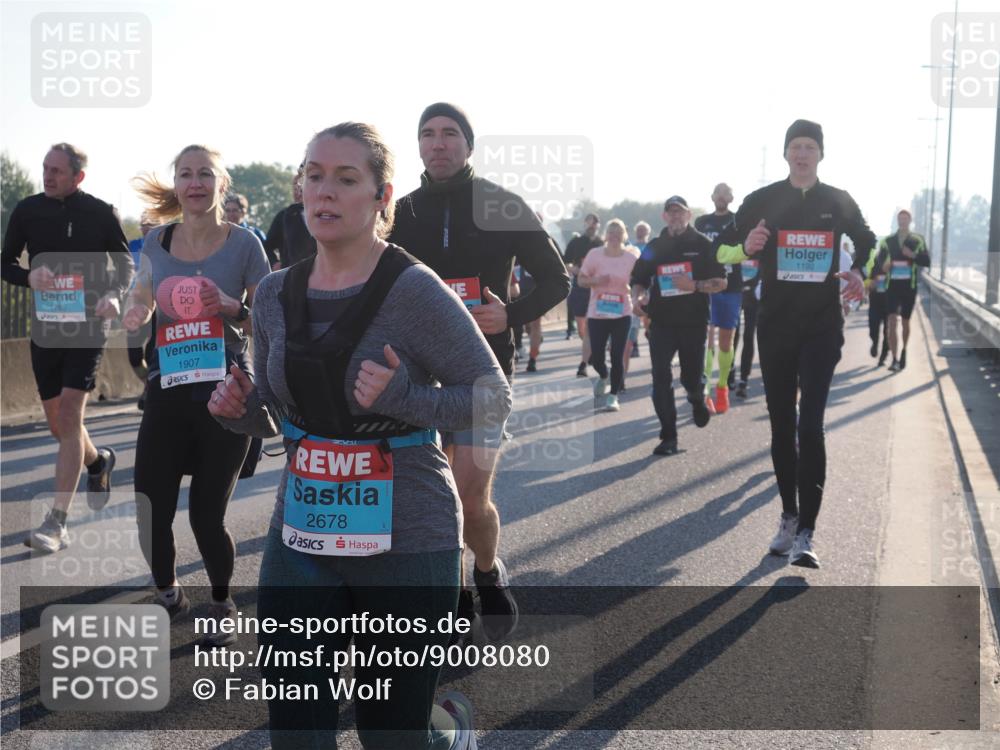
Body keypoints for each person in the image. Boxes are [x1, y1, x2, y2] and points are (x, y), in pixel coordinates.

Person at [209, 121, 510, 749]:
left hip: (408, 535)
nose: (325, 191)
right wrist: (237, 409)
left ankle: (448, 734)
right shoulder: (272, 294)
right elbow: (275, 414)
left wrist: (406, 398)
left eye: (347, 179)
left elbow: (491, 394)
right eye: (314, 175)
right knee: (296, 732)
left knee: (391, 737)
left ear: (382, 196)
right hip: (304, 533)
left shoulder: (414, 290)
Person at [389, 103, 569, 643]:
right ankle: (451, 594)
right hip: (414, 375)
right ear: (418, 146)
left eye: (450, 134)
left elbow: (556, 279)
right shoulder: (400, 212)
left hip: (482, 369)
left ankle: (486, 569)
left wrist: (508, 315)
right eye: (428, 135)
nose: (438, 143)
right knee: (428, 500)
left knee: (468, 497)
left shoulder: (500, 204)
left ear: (468, 145)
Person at [124, 144, 270, 639]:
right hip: (167, 390)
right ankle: (168, 592)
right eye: (185, 174)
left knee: (207, 514)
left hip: (225, 396)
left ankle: (222, 600)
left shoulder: (246, 245)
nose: (195, 182)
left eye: (205, 173)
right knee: (150, 506)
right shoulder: (157, 242)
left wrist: (231, 306)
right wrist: (129, 313)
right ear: (177, 185)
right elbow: (141, 299)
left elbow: (270, 322)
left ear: (220, 184)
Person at [717, 119, 874, 568]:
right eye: (795, 146)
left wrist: (860, 270)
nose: (802, 153)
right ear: (786, 154)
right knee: (782, 425)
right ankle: (787, 515)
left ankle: (807, 531)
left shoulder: (837, 200)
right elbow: (721, 251)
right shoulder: (762, 200)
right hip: (776, 325)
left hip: (823, 326)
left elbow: (869, 241)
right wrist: (746, 246)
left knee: (811, 425)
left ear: (820, 154)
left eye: (810, 146)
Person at [2, 143, 132, 552]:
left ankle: (57, 522)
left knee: (72, 415)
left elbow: (125, 263)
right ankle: (98, 461)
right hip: (47, 329)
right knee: (60, 426)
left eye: (56, 170)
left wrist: (114, 294)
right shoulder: (27, 210)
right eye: (44, 168)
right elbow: (4, 262)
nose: (47, 176)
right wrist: (28, 277)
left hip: (89, 326)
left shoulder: (100, 212)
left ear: (78, 176)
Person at [631, 196, 726, 456]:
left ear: (688, 215)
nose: (675, 216)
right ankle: (668, 437)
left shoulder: (703, 245)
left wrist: (693, 286)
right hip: (661, 321)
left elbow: (721, 282)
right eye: (670, 212)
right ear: (664, 217)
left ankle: (697, 399)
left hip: (694, 322)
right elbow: (637, 279)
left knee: (691, 378)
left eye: (680, 212)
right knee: (660, 379)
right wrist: (636, 297)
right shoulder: (655, 245)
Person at [578, 219, 640, 411]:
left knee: (617, 354)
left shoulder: (631, 259)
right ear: (606, 235)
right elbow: (581, 280)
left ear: (624, 235)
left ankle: (613, 396)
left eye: (618, 232)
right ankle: (604, 376)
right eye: (611, 232)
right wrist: (596, 280)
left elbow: (640, 282)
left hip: (622, 313)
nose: (614, 236)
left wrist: (635, 291)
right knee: (596, 356)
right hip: (598, 312)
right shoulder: (595, 255)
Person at [696, 183, 739, 414]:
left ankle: (722, 386)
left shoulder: (739, 221)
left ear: (731, 197)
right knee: (706, 338)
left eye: (726, 192)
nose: (721, 196)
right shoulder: (701, 223)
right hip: (707, 285)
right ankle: (705, 390)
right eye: (718, 192)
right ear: (712, 196)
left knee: (725, 340)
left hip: (731, 286)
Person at [874, 209, 929, 371]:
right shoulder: (887, 241)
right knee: (891, 321)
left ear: (910, 220)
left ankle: (904, 351)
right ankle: (895, 358)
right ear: (897, 221)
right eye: (900, 219)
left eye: (905, 218)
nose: (902, 221)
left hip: (909, 287)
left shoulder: (917, 240)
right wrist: (886, 266)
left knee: (905, 322)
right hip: (892, 287)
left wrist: (912, 255)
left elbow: (927, 261)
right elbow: (880, 264)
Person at [564, 214, 604, 377]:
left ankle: (585, 361)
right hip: (580, 287)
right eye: (588, 222)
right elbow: (566, 263)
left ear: (598, 225)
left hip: (597, 289)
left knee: (591, 326)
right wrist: (579, 271)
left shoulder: (602, 244)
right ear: (584, 224)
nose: (591, 225)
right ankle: (591, 353)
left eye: (594, 222)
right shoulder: (576, 242)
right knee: (581, 326)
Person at [265, 164, 316, 269]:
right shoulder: (284, 216)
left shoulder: (325, 214)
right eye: (294, 186)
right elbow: (267, 246)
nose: (297, 190)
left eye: (301, 185)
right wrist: (274, 263)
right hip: (291, 274)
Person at [624, 220, 651, 367]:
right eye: (638, 229)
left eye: (643, 229)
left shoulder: (650, 247)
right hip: (634, 284)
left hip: (647, 285)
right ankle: (634, 346)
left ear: (648, 232)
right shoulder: (631, 247)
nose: (640, 232)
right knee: (634, 318)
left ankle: (649, 334)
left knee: (647, 319)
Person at [223, 192, 271, 263]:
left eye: (235, 210)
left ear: (243, 212)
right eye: (228, 211)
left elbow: (267, 257)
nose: (231, 214)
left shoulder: (255, 233)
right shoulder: (219, 235)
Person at [864, 242, 891, 366]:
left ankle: (883, 357)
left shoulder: (895, 262)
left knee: (888, 331)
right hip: (875, 301)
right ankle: (874, 343)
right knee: (873, 328)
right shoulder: (874, 262)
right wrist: (870, 284)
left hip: (890, 302)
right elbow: (868, 279)